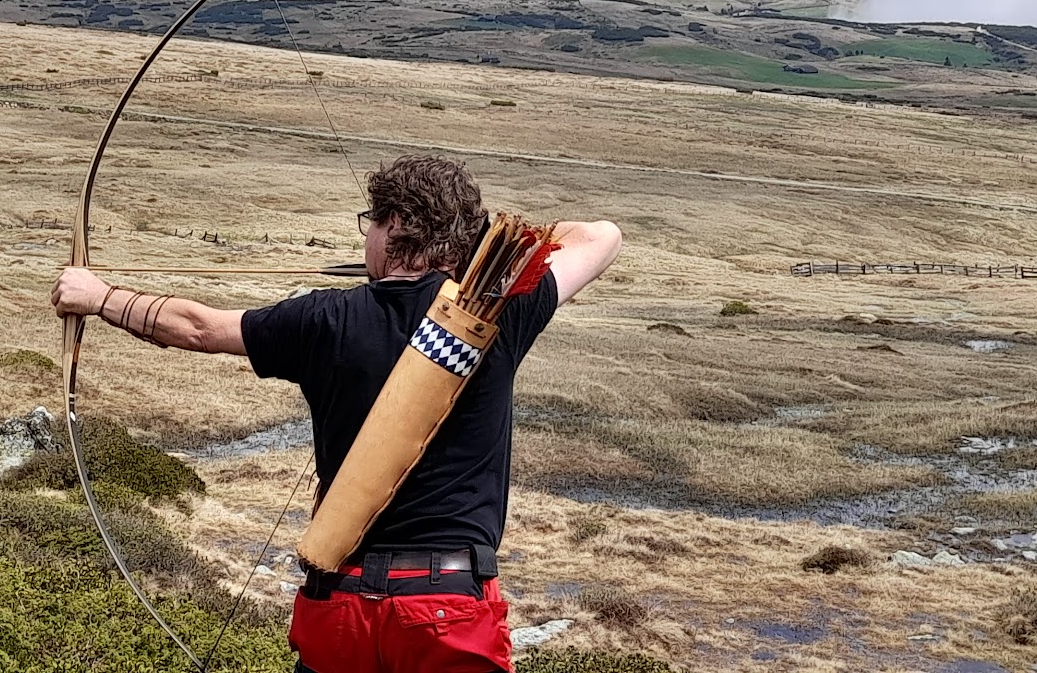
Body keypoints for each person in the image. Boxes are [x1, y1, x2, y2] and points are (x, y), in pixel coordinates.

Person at [50, 154, 622, 673]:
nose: (365, 237)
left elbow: (198, 329)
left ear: (394, 226)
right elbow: (600, 236)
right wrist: (474, 250)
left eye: (369, 222)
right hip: (448, 604)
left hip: (342, 604)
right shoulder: (497, 312)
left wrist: (98, 296)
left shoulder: (324, 319)